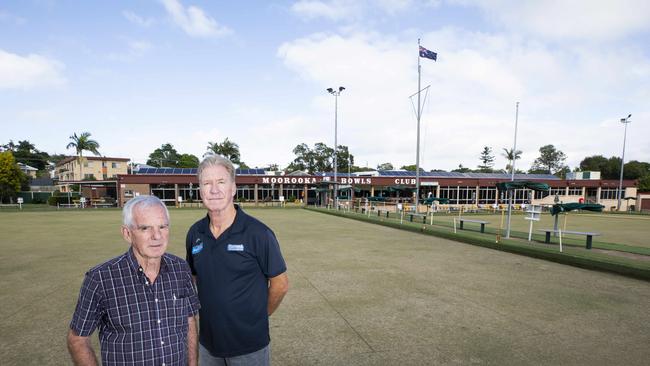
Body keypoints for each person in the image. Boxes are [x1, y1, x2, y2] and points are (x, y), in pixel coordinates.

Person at [67, 195, 200, 366]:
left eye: (162, 227)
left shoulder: (181, 269)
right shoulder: (100, 279)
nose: (157, 236)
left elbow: (189, 322)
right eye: (145, 228)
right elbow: (77, 339)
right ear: (127, 233)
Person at [186, 154, 289, 365]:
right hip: (208, 348)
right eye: (207, 183)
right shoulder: (195, 233)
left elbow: (280, 285)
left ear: (233, 188)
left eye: (221, 182)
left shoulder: (259, 234)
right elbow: (195, 278)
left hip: (250, 348)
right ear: (200, 190)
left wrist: (258, 317)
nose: (214, 190)